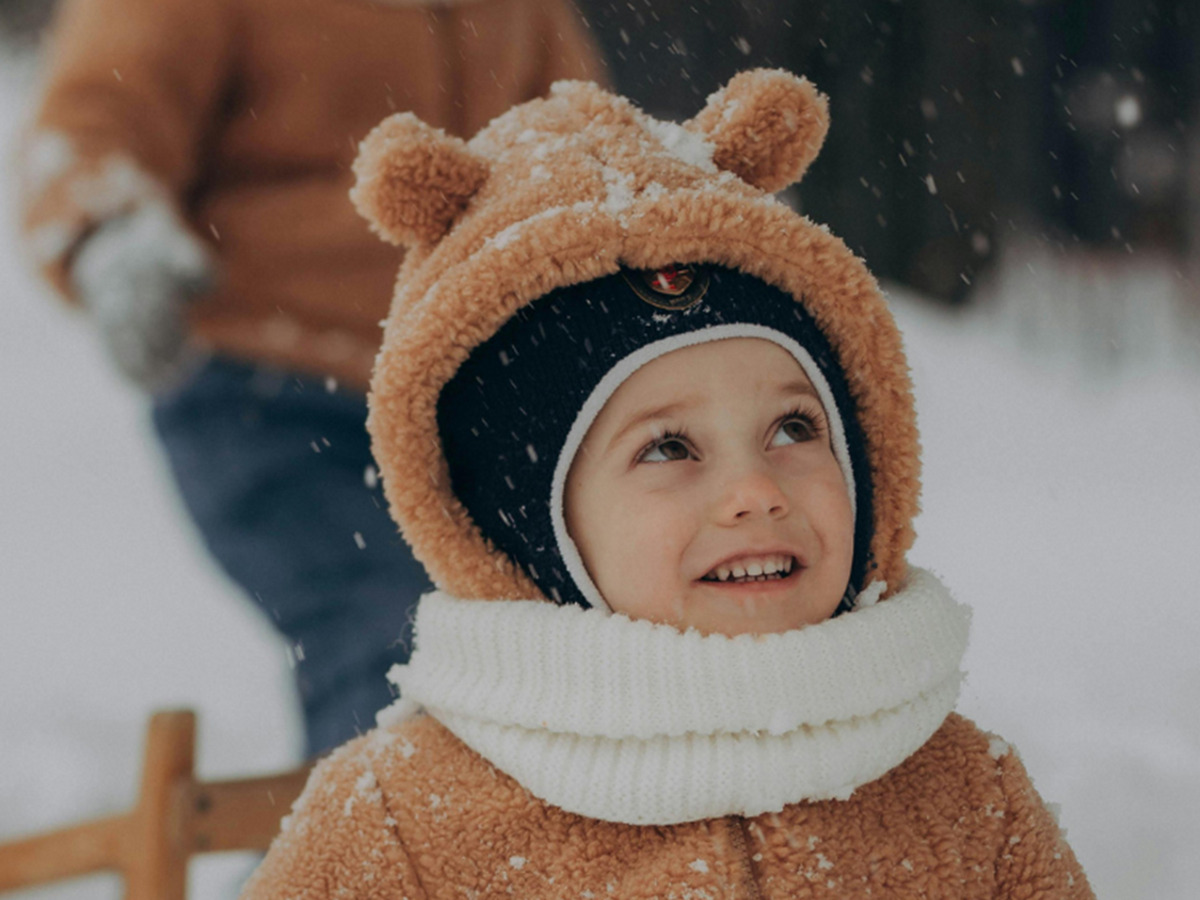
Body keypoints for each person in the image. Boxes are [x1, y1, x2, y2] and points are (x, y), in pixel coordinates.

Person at [240, 70, 1094, 897]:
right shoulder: (400, 825)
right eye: (668, 448)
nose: (754, 491)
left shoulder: (964, 799)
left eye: (795, 428)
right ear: (529, 530)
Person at [17, 0, 607, 757]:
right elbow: (98, 118)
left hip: (466, 393)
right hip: (269, 388)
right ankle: (360, 860)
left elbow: (578, 136)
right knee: (399, 644)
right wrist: (106, 232)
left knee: (562, 654)